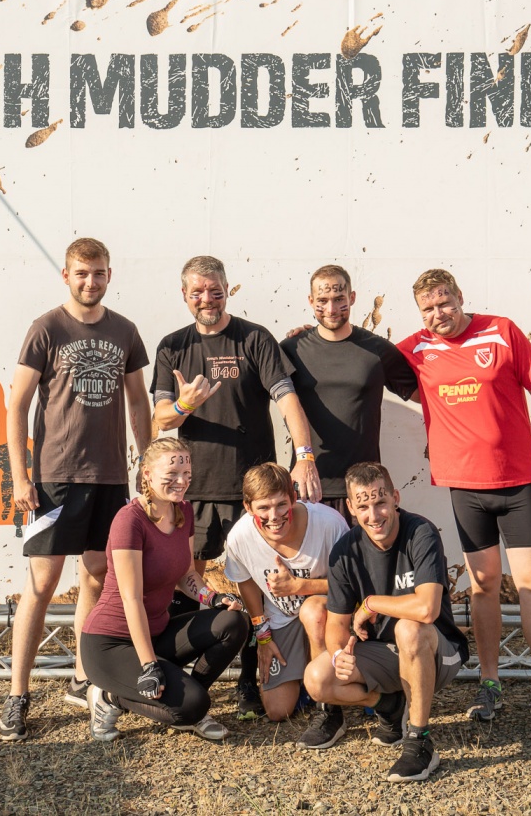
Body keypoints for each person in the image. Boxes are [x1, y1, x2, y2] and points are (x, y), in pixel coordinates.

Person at [397, 268, 531, 734]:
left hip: (517, 483)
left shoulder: (501, 331)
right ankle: (489, 683)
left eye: (444, 303)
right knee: (483, 584)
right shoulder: (415, 348)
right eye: (428, 309)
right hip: (466, 488)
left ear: (459, 296)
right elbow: (359, 356)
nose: (438, 314)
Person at [150, 255, 323, 715]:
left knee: (257, 586)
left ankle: (252, 677)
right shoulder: (172, 346)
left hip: (253, 494)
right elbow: (162, 417)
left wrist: (304, 456)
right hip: (193, 490)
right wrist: (184, 405)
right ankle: (186, 676)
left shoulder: (254, 338)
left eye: (215, 290)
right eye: (197, 292)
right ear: (184, 295)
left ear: (228, 289)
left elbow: (287, 400)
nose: (207, 299)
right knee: (184, 580)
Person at [0, 237, 152, 742]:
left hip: (110, 477)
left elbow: (137, 402)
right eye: (82, 273)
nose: (91, 281)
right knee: (42, 585)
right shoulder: (47, 328)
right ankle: (18, 695)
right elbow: (17, 404)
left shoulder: (125, 331)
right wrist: (21, 477)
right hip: (55, 479)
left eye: (99, 273)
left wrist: (147, 464)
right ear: (66, 275)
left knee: (96, 579)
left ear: (110, 275)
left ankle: (83, 679)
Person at [303, 462, 469, 782]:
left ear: (395, 498)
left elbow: (428, 609)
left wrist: (371, 603)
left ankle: (419, 742)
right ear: (351, 507)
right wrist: (338, 656)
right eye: (363, 506)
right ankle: (389, 705)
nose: (374, 515)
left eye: (380, 502)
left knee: (409, 627)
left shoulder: (421, 532)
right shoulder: (345, 550)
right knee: (318, 680)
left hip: (438, 651)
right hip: (385, 653)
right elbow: (336, 624)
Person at [78, 437, 250, 742]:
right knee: (192, 705)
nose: (181, 482)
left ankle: (189, 704)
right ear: (147, 474)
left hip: (156, 633)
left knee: (233, 621)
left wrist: (214, 598)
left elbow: (185, 574)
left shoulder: (183, 511)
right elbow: (131, 598)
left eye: (187, 474)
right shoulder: (129, 520)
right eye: (171, 475)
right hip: (111, 644)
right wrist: (149, 665)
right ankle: (109, 697)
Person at [280, 265, 419, 522]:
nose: (331, 309)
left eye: (339, 299)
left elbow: (424, 394)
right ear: (310, 301)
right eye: (322, 300)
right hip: (310, 484)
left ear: (352, 297)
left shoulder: (378, 349)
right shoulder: (292, 349)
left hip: (365, 491)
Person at [223, 463, 347, 725]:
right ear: (248, 507)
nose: (274, 516)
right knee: (278, 711)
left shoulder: (328, 523)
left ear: (293, 497)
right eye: (263, 508)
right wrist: (263, 635)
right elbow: (246, 583)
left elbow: (352, 583)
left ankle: (326, 703)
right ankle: (304, 683)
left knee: (313, 611)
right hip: (282, 616)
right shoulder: (239, 537)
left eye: (281, 504)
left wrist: (301, 587)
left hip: (325, 615)